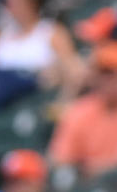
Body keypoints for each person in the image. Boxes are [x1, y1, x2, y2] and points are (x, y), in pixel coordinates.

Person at [48, 42, 117, 180]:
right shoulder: (80, 111)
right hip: (90, 187)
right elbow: (59, 159)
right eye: (102, 73)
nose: (107, 79)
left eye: (112, 73)